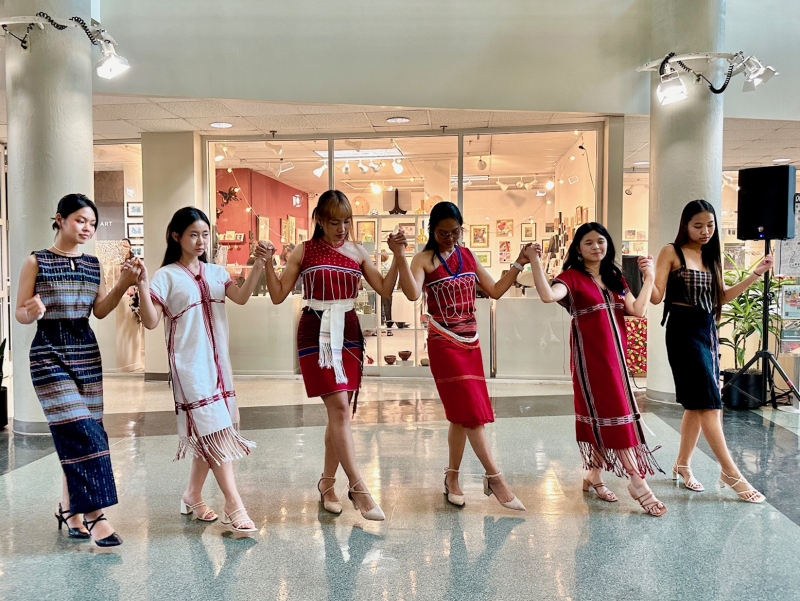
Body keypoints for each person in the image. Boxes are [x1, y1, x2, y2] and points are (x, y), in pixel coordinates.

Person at [261, 190, 406, 521]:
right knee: (340, 407)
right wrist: (267, 264)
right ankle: (358, 487)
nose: (341, 229)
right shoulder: (305, 250)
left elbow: (384, 289)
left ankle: (327, 484)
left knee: (339, 413)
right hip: (315, 328)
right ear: (320, 221)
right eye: (333, 222)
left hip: (349, 330)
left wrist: (398, 255)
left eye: (346, 222)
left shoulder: (357, 250)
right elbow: (278, 294)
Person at [16, 193, 139, 547]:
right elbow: (20, 314)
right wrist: (32, 309)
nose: (87, 228)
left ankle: (69, 507)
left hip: (86, 352)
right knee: (83, 429)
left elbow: (100, 311)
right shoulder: (35, 261)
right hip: (48, 353)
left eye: (92, 224)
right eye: (80, 220)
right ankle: (95, 514)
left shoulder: (92, 264)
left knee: (81, 433)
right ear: (60, 219)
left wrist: (124, 283)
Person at [137, 207, 271, 532]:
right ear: (176, 236)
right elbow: (152, 321)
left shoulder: (215, 272)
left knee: (209, 431)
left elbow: (239, 297)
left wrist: (257, 264)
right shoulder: (165, 276)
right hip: (189, 369)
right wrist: (141, 283)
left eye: (205, 234)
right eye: (193, 234)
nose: (200, 240)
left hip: (218, 366)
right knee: (215, 430)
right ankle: (234, 504)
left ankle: (192, 494)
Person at [527, 222, 666, 516]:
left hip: (617, 362)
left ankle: (593, 476)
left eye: (600, 241)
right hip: (591, 364)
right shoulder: (571, 278)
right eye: (588, 242)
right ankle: (638, 483)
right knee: (611, 416)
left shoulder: (615, 276)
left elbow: (637, 310)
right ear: (578, 248)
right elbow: (547, 296)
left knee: (604, 417)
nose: (596, 247)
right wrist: (535, 262)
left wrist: (649, 277)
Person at [394, 201, 526, 511]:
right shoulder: (423, 259)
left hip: (472, 342)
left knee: (460, 415)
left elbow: (494, 290)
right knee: (471, 414)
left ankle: (452, 477)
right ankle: (495, 477)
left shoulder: (467, 256)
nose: (450, 238)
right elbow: (413, 293)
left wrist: (519, 264)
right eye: (443, 233)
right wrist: (399, 256)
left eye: (456, 232)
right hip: (443, 342)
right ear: (432, 231)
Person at [652, 199, 772, 503]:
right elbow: (656, 297)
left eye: (710, 224)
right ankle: (730, 472)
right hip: (681, 331)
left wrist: (755, 273)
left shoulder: (711, 255)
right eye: (698, 225)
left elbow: (721, 297)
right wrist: (643, 277)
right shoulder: (672, 251)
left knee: (696, 403)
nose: (705, 231)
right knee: (710, 402)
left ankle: (682, 464)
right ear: (685, 225)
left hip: (706, 330)